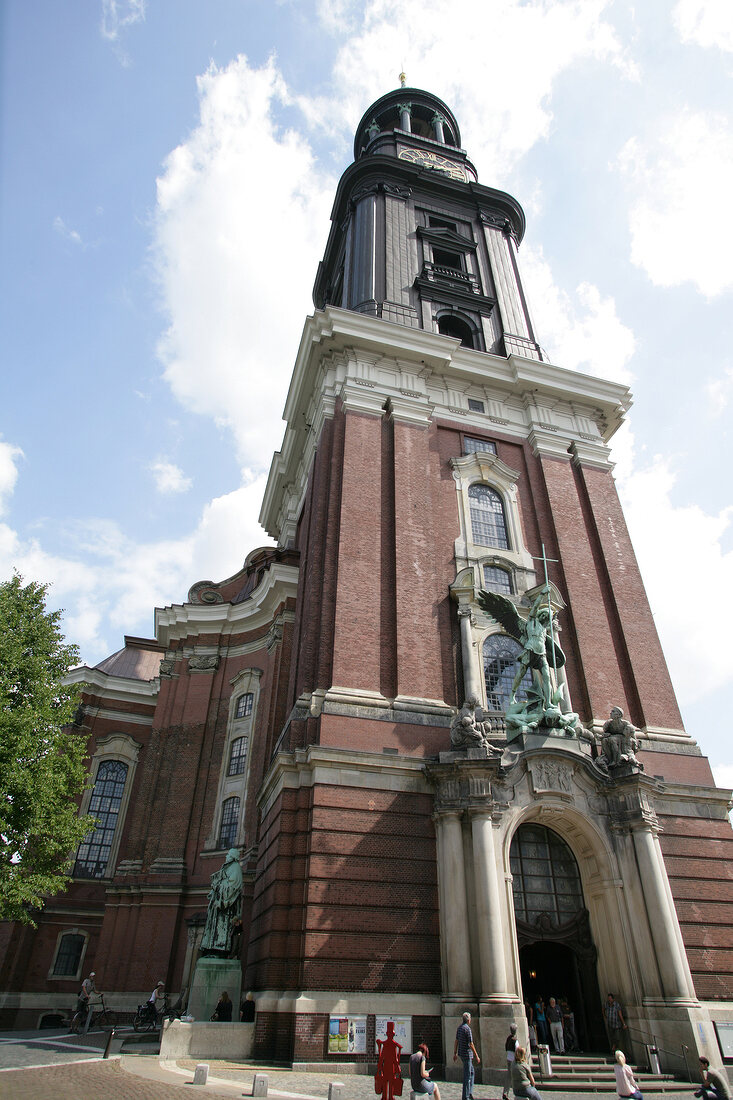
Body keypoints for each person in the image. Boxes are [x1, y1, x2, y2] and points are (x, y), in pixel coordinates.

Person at [454, 1011, 480, 1100]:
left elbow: (456, 1041)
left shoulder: (459, 1028)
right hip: (467, 1055)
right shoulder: (467, 1029)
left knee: (471, 1072)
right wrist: (477, 1055)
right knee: (467, 1076)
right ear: (468, 1020)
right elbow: (471, 1044)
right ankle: (466, 1096)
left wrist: (455, 1053)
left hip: (461, 1053)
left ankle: (469, 1092)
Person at [375, 1020, 403, 1100]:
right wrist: (397, 1067)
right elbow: (394, 1058)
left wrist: (380, 1065)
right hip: (391, 1067)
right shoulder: (393, 1044)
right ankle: (389, 1097)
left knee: (387, 1082)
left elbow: (382, 1057)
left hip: (387, 1066)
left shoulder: (387, 1044)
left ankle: (386, 1097)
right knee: (390, 1082)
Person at [502, 1023, 519, 1100]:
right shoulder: (515, 1040)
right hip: (514, 1060)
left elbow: (506, 1047)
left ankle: (505, 1093)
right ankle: (518, 1092)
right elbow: (517, 1051)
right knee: (516, 1077)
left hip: (508, 1058)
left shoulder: (508, 1038)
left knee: (508, 1076)